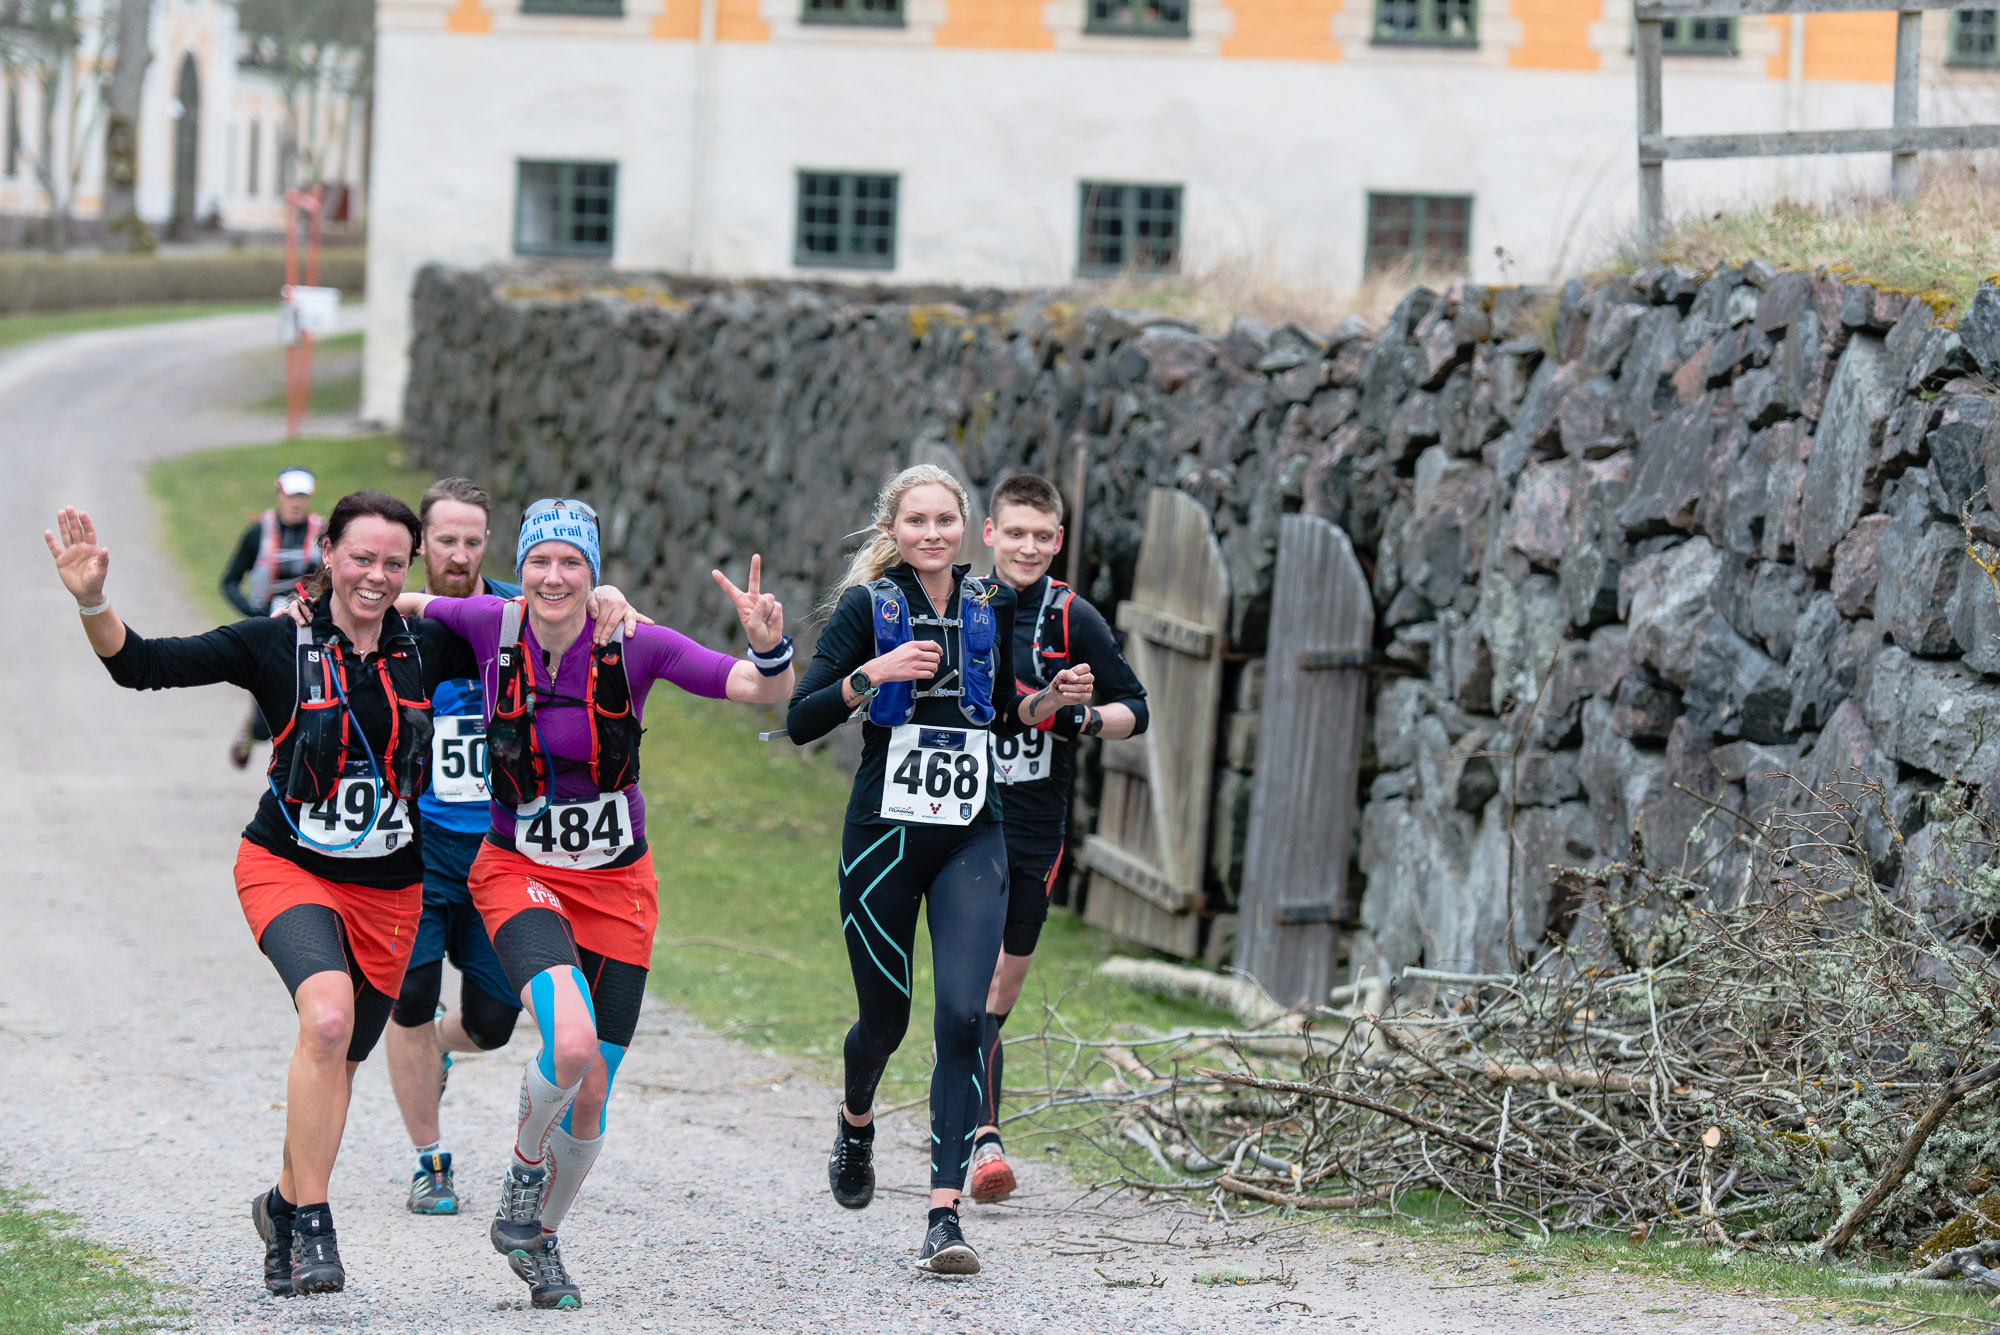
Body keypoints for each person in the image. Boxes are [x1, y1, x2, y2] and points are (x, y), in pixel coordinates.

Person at [48, 491, 474, 1298]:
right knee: (328, 1017)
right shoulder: (276, 643)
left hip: (391, 893)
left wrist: (601, 598)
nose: (376, 576)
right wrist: (92, 598)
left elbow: (535, 628)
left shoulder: (433, 646)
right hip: (290, 868)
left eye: (393, 561)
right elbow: (140, 663)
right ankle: (313, 1223)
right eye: (361, 558)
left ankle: (281, 1206)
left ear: (409, 566)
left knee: (338, 1060)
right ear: (327, 554)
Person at [397, 497, 794, 1310]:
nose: (552, 576)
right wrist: (329, 588)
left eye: (570, 562)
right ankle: (520, 1173)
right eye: (539, 559)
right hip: (518, 870)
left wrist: (767, 639)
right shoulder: (486, 623)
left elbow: (759, 686)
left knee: (591, 1095)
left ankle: (540, 1239)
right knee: (569, 1041)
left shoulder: (632, 640)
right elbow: (400, 602)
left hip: (618, 884)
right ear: (523, 566)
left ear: (593, 572)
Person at [786, 464, 1093, 1276]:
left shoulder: (993, 603)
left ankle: (942, 1216)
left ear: (965, 526)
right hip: (884, 838)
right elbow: (801, 716)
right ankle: (856, 1123)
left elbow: (1001, 710)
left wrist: (1049, 699)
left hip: (970, 835)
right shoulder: (868, 607)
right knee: (885, 1020)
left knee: (963, 1016)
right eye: (915, 519)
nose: (931, 533)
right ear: (893, 527)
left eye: (944, 519)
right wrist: (872, 675)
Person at [966, 474, 1148, 1204]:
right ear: (990, 534)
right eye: (1016, 533)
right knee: (975, 983)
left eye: (1042, 535)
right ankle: (984, 1140)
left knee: (1001, 990)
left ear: (1059, 540)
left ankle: (965, 1082)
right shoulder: (961, 605)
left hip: (1038, 825)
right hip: (968, 819)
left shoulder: (1073, 616)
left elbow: (1135, 706)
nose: (1028, 547)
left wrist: (1083, 719)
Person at [383, 478, 523, 1216]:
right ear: (420, 544)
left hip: (499, 851)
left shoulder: (514, 614)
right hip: (417, 847)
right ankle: (429, 1160)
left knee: (494, 1023)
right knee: (408, 994)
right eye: (446, 541)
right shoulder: (389, 623)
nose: (460, 555)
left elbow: (588, 615)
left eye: (473, 541)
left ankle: (438, 1046)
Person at [222, 467, 324, 768]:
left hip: (310, 625)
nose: (297, 502)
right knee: (265, 723)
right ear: (279, 494)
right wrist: (252, 613)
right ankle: (251, 730)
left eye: (302, 496)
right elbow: (228, 581)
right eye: (291, 495)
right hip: (269, 626)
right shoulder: (258, 533)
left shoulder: (322, 534)